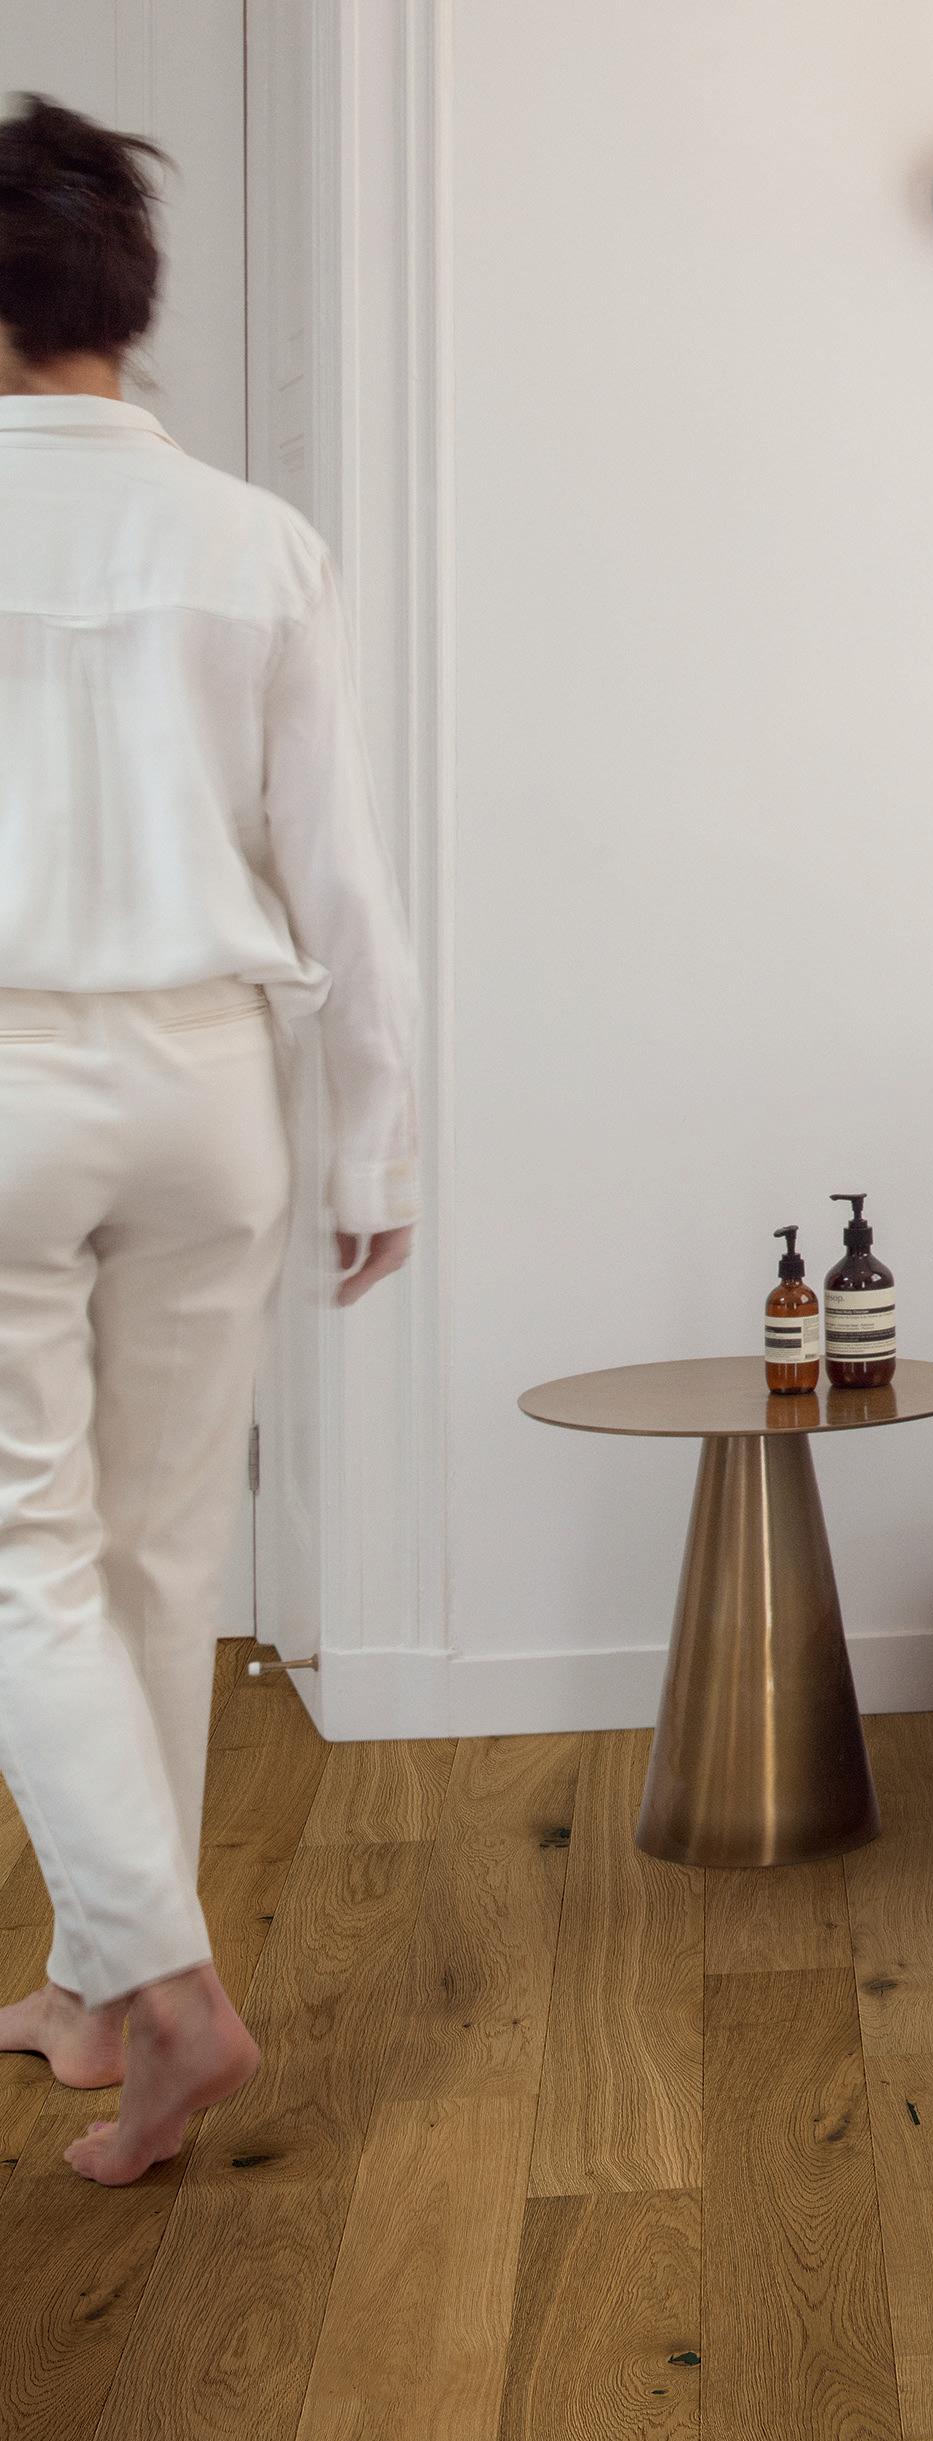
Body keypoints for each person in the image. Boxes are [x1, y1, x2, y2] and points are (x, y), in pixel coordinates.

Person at [0, 93, 416, 2184]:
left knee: (23, 1553)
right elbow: (342, 880)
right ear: (129, 307)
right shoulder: (255, 537)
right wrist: (376, 1149)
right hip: (210, 1088)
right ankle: (95, 1992)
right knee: (162, 1551)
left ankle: (163, 1987)